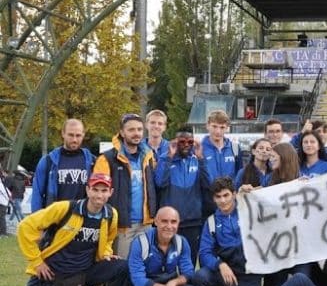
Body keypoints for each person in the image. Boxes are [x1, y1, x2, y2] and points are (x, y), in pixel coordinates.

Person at [16, 173, 129, 286]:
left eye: (104, 190)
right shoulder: (64, 208)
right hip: (58, 275)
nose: (99, 195)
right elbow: (25, 227)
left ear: (110, 192)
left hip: (86, 271)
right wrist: (37, 261)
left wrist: (106, 254)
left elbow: (108, 239)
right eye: (95, 190)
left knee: (122, 267)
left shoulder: (111, 214)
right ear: (87, 190)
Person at [17, 119, 96, 286]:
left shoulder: (90, 160)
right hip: (54, 225)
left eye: (78, 135)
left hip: (79, 224)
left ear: (83, 135)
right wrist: (39, 223)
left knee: (78, 268)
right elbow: (38, 192)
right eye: (71, 135)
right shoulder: (49, 161)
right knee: (41, 269)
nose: (74, 139)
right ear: (63, 134)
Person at [192, 177, 265, 286]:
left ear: (234, 194)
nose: (223, 200)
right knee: (200, 276)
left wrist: (296, 185)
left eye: (226, 195)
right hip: (227, 273)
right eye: (218, 197)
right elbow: (204, 253)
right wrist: (220, 264)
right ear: (213, 198)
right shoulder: (211, 222)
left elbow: (273, 203)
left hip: (249, 273)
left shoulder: (248, 210)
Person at [126, 207, 200, 286]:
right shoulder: (140, 242)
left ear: (178, 223)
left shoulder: (182, 242)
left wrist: (172, 285)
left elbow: (188, 273)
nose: (169, 226)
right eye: (164, 221)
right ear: (156, 222)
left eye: (173, 222)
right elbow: (138, 280)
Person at [93, 113, 157, 259]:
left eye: (139, 129)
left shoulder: (148, 156)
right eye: (131, 130)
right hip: (122, 226)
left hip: (146, 224)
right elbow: (97, 194)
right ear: (122, 132)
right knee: (122, 268)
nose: (136, 133)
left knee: (145, 267)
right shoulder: (106, 159)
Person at [154, 128, 210, 263]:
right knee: (167, 261)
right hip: (170, 222)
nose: (186, 145)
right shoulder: (165, 158)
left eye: (190, 142)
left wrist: (201, 158)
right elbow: (160, 182)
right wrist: (169, 157)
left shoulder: (197, 159)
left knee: (189, 261)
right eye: (182, 142)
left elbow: (208, 184)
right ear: (175, 142)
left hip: (193, 221)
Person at [200, 110, 240, 184]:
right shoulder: (199, 149)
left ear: (227, 128)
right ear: (207, 126)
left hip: (229, 191)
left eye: (222, 127)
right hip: (208, 191)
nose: (218, 131)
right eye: (214, 126)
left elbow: (239, 174)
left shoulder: (235, 147)